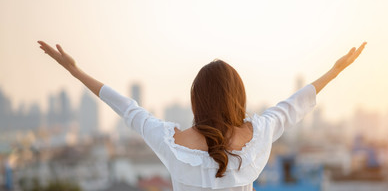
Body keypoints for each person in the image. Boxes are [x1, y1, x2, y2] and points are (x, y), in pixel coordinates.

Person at [37, 41, 366, 191]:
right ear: (238, 96)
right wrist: (334, 71)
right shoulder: (259, 134)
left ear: (196, 98)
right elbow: (294, 105)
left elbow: (127, 108)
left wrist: (76, 71)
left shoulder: (172, 142)